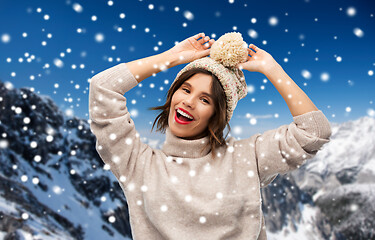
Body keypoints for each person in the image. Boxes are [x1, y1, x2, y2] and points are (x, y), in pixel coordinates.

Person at [89, 31, 332, 239]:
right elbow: (103, 88)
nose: (188, 102)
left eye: (205, 99)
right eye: (185, 89)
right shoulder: (138, 165)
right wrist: (170, 58)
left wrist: (271, 68)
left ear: (218, 115)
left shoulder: (247, 157)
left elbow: (314, 131)